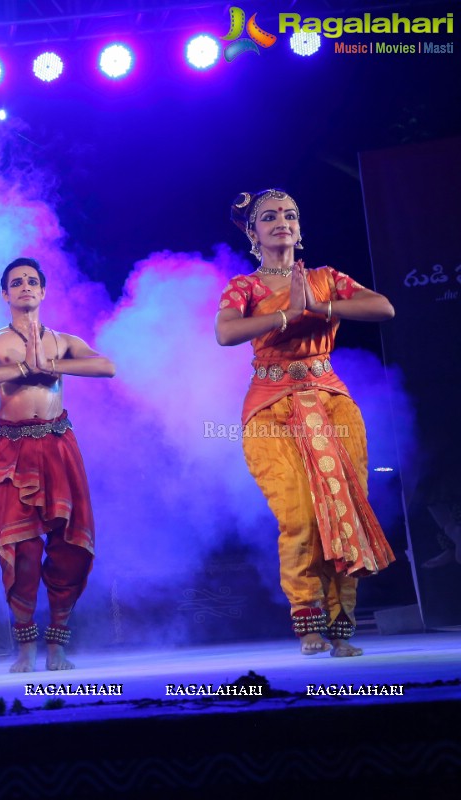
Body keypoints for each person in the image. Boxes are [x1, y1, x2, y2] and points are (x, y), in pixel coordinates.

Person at [215, 189, 396, 656]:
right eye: (270, 216)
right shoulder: (245, 287)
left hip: (332, 403)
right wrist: (286, 313)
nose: (282, 222)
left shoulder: (325, 278)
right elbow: (226, 332)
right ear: (253, 233)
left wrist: (320, 308)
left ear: (300, 226)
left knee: (342, 509)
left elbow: (383, 308)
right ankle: (308, 620)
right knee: (299, 515)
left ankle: (341, 629)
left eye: (290, 215)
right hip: (270, 409)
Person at [0, 258, 114, 672]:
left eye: (32, 281)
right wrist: (24, 368)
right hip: (11, 451)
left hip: (59, 445)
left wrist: (53, 366)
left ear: (43, 292)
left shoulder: (62, 340)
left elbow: (105, 366)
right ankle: (26, 644)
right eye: (16, 282)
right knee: (22, 551)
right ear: (5, 295)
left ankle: (57, 643)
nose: (25, 287)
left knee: (68, 547)